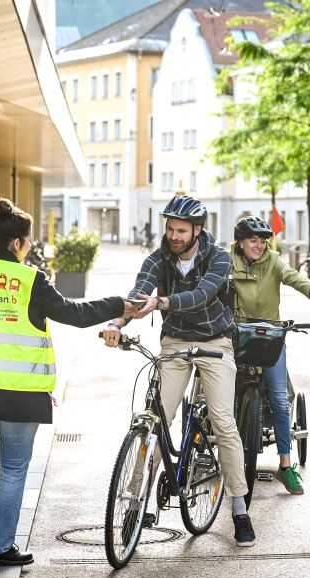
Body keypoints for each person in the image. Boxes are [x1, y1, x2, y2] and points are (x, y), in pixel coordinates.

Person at [0, 198, 134, 574]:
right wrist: (117, 305)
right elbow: (74, 314)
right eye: (28, 242)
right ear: (16, 244)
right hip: (19, 395)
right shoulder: (30, 280)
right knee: (12, 468)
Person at [102, 195, 256, 547]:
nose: (173, 236)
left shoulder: (218, 257)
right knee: (156, 418)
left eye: (181, 230)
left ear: (198, 231)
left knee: (222, 419)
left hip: (216, 343)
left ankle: (238, 507)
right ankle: (134, 503)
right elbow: (139, 294)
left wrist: (164, 302)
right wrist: (118, 320)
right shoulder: (158, 258)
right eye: (170, 229)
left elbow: (203, 294)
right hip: (175, 342)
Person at [229, 216, 310, 495]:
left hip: (269, 337)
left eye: (263, 240)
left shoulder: (273, 261)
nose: (260, 245)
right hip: (236, 336)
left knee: (278, 397)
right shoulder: (226, 262)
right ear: (240, 242)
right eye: (254, 240)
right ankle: (231, 459)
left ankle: (285, 467)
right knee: (228, 394)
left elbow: (293, 277)